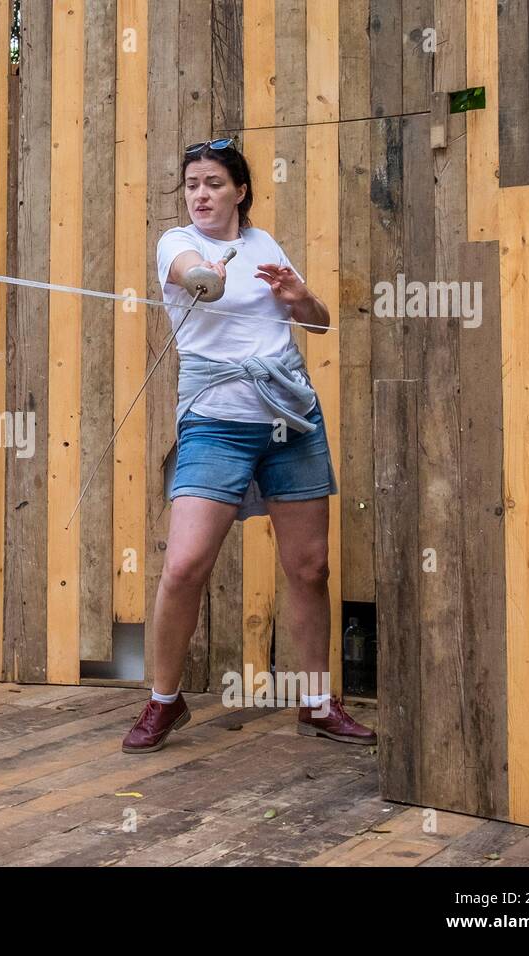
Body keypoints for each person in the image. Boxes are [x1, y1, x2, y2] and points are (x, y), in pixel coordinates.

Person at [120, 138, 375, 754]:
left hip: (291, 420)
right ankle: (164, 700)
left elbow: (314, 322)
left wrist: (296, 297)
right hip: (215, 423)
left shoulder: (265, 245)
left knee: (309, 569)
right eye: (191, 185)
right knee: (184, 567)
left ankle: (316, 702)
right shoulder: (177, 244)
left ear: (239, 191)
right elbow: (193, 278)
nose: (200, 194)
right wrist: (209, 277)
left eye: (212, 183)